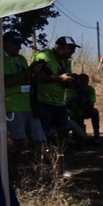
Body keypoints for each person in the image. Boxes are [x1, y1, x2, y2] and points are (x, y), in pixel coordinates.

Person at [0, 30, 42, 173]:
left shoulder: (21, 59)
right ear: (5, 44)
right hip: (12, 105)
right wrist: (27, 72)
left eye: (20, 44)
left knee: (37, 138)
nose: (19, 48)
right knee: (18, 140)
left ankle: (37, 167)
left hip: (28, 104)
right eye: (16, 44)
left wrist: (34, 73)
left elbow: (26, 77)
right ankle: (12, 169)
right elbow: (8, 81)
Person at [30, 36, 80, 172]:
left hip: (59, 102)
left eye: (73, 50)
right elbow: (38, 76)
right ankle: (43, 165)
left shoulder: (66, 61)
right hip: (43, 101)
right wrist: (60, 79)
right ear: (59, 47)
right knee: (45, 135)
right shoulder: (43, 56)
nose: (72, 53)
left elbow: (64, 79)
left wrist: (72, 83)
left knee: (63, 133)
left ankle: (61, 163)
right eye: (70, 49)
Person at [67, 74, 100, 144]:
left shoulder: (90, 89)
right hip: (74, 111)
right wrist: (77, 97)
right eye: (82, 81)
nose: (84, 83)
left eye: (86, 81)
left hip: (85, 110)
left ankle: (96, 134)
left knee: (94, 112)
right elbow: (68, 103)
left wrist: (85, 96)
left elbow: (91, 104)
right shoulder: (71, 90)